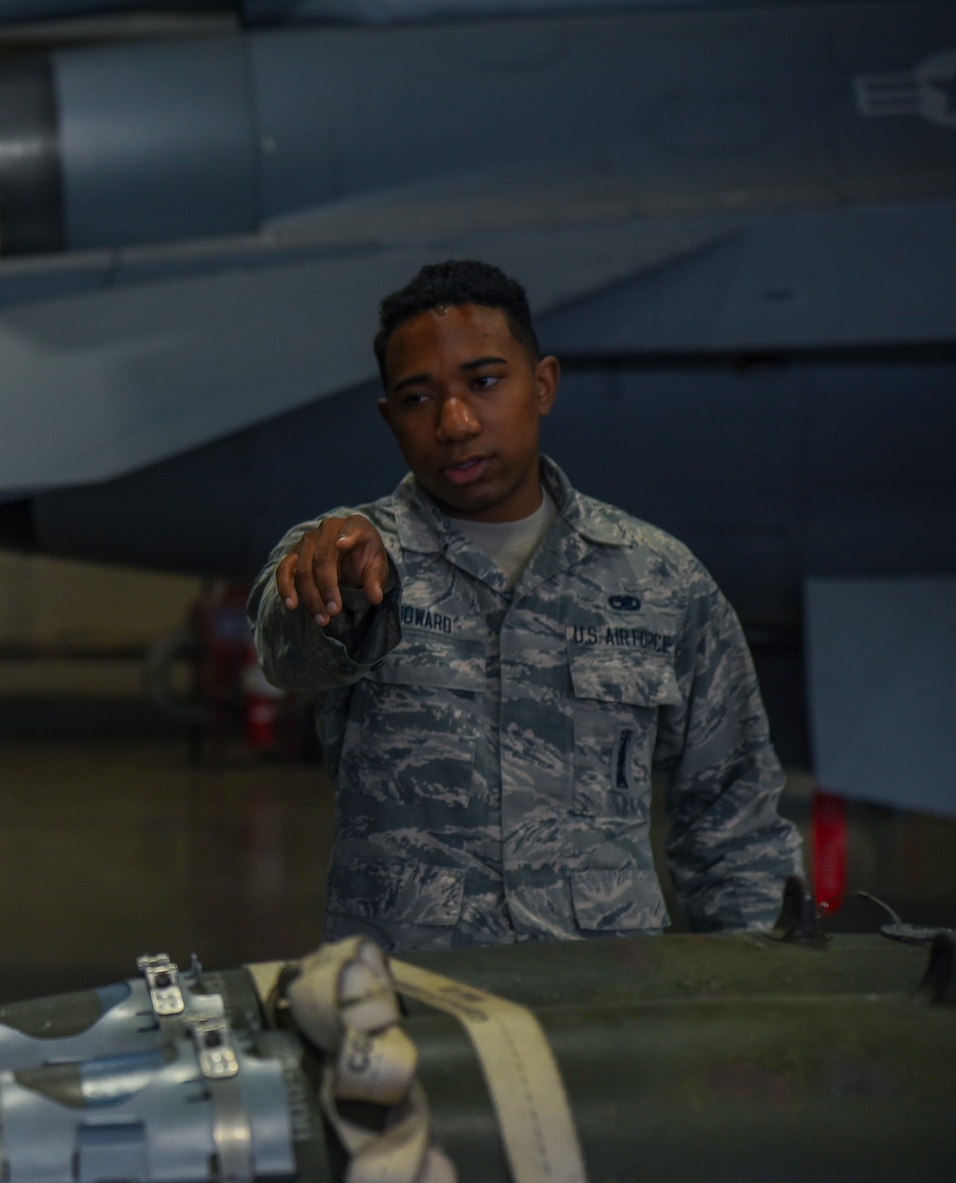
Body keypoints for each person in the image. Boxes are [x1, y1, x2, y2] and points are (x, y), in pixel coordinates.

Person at [248, 260, 801, 950]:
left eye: (484, 382)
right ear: (389, 418)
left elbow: (735, 823)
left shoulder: (662, 579)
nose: (455, 421)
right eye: (419, 399)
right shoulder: (346, 556)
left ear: (542, 385)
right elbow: (287, 647)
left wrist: (761, 999)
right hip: (411, 1014)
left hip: (605, 1010)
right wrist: (344, 591)